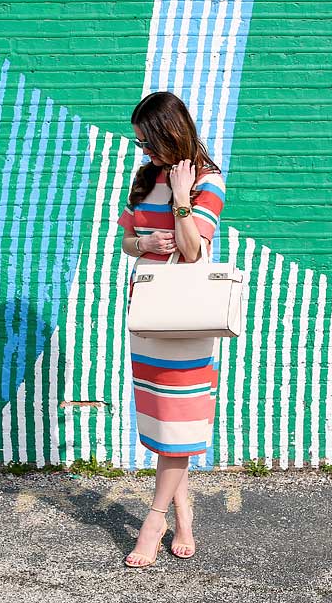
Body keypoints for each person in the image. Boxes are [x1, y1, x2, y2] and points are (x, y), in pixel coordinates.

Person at [115, 91, 227, 567]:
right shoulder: (145, 179)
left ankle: (155, 518)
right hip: (149, 312)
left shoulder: (208, 180)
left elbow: (195, 251)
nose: (143, 151)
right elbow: (124, 241)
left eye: (148, 140)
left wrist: (181, 200)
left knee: (178, 426)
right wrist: (145, 241)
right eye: (140, 142)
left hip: (187, 319)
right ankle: (184, 512)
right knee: (162, 423)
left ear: (169, 132)